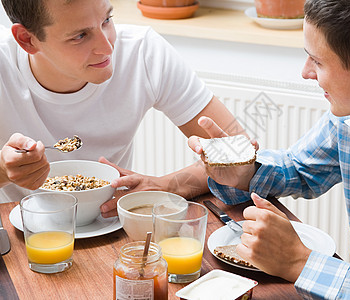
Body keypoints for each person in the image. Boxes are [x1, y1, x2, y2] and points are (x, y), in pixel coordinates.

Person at [188, 0, 350, 298]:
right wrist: (244, 172)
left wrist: (300, 262)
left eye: (318, 61)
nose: (306, 72)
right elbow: (298, 168)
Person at [0, 0, 245, 217]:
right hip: (17, 238)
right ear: (27, 39)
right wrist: (3, 170)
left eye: (107, 20)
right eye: (80, 36)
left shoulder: (142, 52)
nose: (107, 48)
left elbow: (239, 152)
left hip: (111, 225)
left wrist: (167, 185)